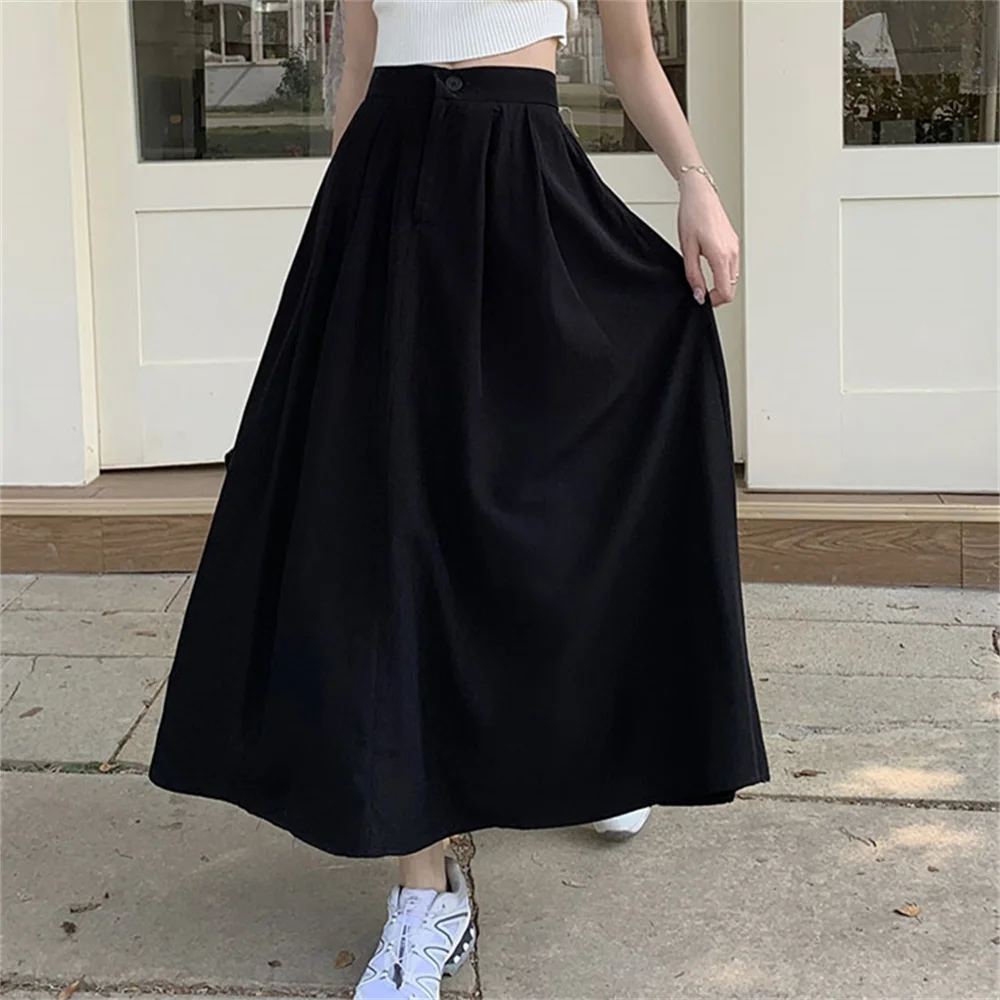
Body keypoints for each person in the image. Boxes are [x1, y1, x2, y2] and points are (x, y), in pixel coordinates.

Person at [149, 2, 770, 997]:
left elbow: (631, 57)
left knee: (558, 498)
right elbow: (360, 71)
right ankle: (423, 890)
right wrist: (340, 243)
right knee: (392, 523)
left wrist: (696, 184)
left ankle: (599, 751)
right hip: (385, 199)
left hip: (521, 191)